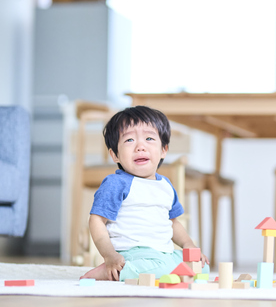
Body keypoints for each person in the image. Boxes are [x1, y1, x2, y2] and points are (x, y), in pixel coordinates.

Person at [81, 106, 208, 281]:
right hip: (132, 253)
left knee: (202, 268)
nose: (140, 146)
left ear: (163, 150)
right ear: (115, 155)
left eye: (149, 138)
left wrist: (188, 245)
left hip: (164, 253)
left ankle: (137, 271)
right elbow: (96, 220)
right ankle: (113, 271)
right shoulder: (116, 183)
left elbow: (173, 223)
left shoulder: (166, 185)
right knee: (161, 270)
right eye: (129, 140)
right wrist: (110, 256)